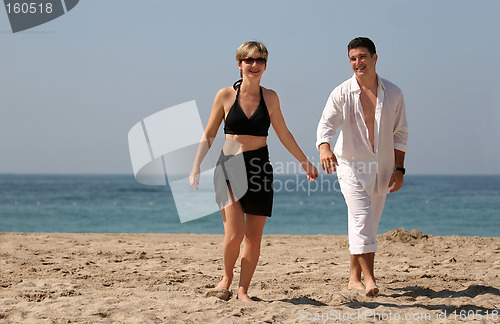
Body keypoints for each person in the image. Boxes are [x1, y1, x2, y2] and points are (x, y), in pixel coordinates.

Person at [190, 41, 318, 302]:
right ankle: (226, 279)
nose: (254, 64)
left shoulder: (270, 97)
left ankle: (243, 290)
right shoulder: (225, 95)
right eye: (249, 60)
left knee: (254, 237)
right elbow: (210, 132)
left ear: (265, 65)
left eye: (260, 60)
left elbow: (283, 132)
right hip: (230, 165)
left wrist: (304, 161)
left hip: (260, 167)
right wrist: (195, 166)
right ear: (239, 64)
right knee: (234, 233)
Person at [316, 37, 408, 297]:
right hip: (350, 167)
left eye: (363, 57)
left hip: (383, 168)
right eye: (353, 59)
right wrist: (325, 147)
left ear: (375, 58)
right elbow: (326, 125)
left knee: (367, 224)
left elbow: (400, 133)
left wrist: (399, 169)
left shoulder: (394, 93)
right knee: (362, 218)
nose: (358, 63)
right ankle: (370, 279)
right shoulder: (341, 92)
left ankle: (353, 277)